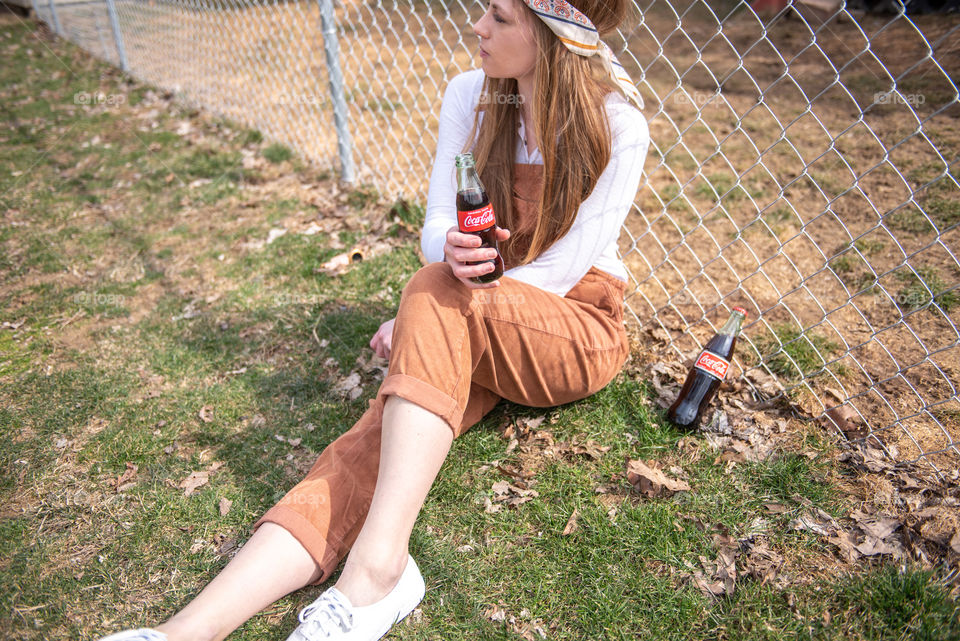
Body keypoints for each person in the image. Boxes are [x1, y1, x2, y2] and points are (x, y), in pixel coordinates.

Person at [96, 0, 649, 639]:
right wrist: (446, 262)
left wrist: (434, 308)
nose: (478, 28)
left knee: (433, 296)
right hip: (473, 305)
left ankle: (379, 570)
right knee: (371, 444)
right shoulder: (471, 94)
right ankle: (183, 632)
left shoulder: (617, 122)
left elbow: (559, 272)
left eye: (499, 17)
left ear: (554, 34)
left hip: (572, 324)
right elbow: (437, 225)